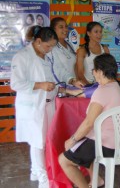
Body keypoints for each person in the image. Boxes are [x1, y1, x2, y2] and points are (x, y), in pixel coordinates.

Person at [10, 26, 82, 188]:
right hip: (32, 106)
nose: (50, 50)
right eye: (48, 46)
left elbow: (61, 72)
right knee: (38, 142)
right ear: (38, 41)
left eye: (52, 46)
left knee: (46, 140)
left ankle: (35, 171)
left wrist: (71, 81)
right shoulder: (22, 57)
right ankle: (43, 179)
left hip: (49, 104)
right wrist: (40, 85)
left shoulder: (47, 56)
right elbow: (16, 83)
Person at [58, 54, 120, 188]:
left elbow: (89, 123)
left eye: (94, 70)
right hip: (118, 141)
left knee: (64, 160)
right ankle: (98, 180)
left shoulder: (103, 91)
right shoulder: (115, 87)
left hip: (106, 145)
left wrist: (72, 139)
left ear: (100, 71)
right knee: (84, 142)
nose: (93, 74)